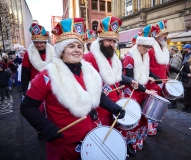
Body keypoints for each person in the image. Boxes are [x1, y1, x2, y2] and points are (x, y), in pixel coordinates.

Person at [20, 18, 125, 159]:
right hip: (64, 144)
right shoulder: (48, 74)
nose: (76, 50)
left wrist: (114, 107)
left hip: (90, 137)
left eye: (79, 46)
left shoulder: (88, 69)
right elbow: (27, 107)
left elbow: (97, 95)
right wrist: (46, 127)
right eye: (71, 46)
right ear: (62, 50)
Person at [84, 16, 137, 126]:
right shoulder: (89, 58)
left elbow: (117, 76)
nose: (111, 44)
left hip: (116, 104)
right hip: (101, 109)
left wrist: (129, 80)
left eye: (114, 41)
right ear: (100, 41)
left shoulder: (114, 58)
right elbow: (85, 87)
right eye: (108, 40)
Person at [122, 24, 158, 153]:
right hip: (132, 93)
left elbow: (141, 75)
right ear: (139, 44)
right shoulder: (129, 58)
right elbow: (131, 80)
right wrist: (146, 90)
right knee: (133, 119)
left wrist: (148, 78)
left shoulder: (144, 56)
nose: (148, 49)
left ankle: (138, 140)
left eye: (150, 46)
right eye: (146, 46)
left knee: (142, 118)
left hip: (141, 91)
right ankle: (129, 143)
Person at [21, 23, 56, 96]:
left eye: (42, 42)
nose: (39, 45)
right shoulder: (28, 54)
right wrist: (24, 91)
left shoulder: (54, 52)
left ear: (45, 42)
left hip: (52, 86)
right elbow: (25, 74)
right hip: (35, 86)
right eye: (37, 43)